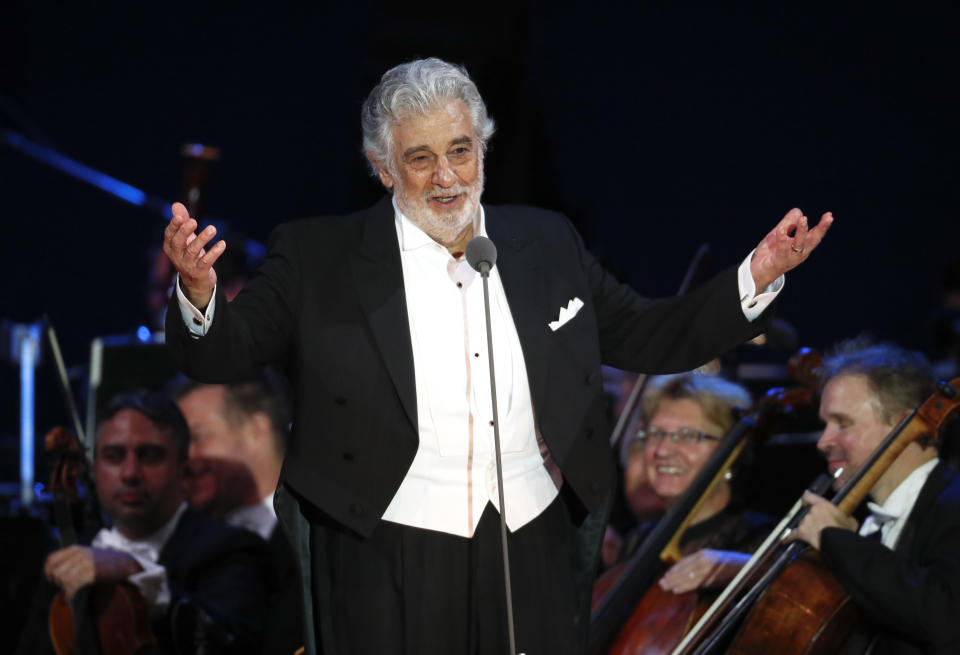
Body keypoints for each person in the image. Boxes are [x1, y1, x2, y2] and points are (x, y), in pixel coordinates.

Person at [161, 57, 832, 654]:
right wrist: (198, 292)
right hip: (390, 545)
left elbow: (648, 333)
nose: (447, 177)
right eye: (421, 158)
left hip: (529, 540)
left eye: (460, 150)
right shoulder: (318, 255)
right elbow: (227, 352)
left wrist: (756, 274)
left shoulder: (545, 241)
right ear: (382, 166)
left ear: (482, 147)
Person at [20, 391, 275, 654]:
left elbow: (230, 643)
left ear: (182, 469)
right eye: (114, 456)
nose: (130, 473)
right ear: (94, 469)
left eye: (150, 456)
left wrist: (133, 571)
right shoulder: (68, 559)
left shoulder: (233, 549)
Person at [794, 340, 960, 654]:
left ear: (902, 425)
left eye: (842, 423)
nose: (823, 441)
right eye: (824, 424)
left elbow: (946, 617)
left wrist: (839, 540)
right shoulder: (862, 523)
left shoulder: (953, 507)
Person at [173, 375, 305, 655]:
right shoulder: (181, 546)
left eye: (196, 438)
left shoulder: (320, 530)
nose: (183, 458)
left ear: (256, 431)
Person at [608, 374, 771, 592]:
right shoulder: (637, 542)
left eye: (688, 436)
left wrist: (750, 569)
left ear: (732, 454)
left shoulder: (761, 543)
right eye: (656, 434)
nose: (663, 450)